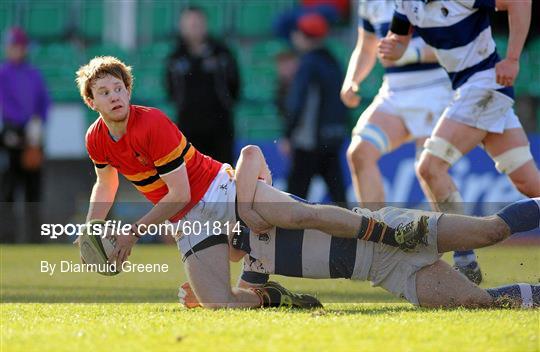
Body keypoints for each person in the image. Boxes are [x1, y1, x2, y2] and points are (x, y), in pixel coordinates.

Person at [75, 56, 427, 309]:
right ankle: (270, 295)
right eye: (104, 92)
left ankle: (385, 230)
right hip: (187, 217)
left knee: (305, 216)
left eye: (119, 88)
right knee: (216, 300)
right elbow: (105, 184)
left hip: (218, 189)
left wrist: (133, 232)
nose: (115, 96)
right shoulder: (96, 138)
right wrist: (92, 227)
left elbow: (180, 192)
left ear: (128, 91)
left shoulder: (151, 124)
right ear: (92, 102)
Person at [179, 147, 540, 310]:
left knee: (491, 231)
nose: (221, 251)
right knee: (476, 302)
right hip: (384, 270)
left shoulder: (257, 204)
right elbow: (239, 300)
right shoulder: (254, 268)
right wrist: (206, 294)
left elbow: (250, 154)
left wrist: (241, 210)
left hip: (390, 229)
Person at [378, 0, 540, 280]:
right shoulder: (406, 4)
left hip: (485, 85)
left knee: (430, 167)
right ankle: (465, 261)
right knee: (530, 184)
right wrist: (394, 49)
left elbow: (520, 1)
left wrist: (512, 59)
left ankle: (465, 264)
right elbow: (398, 42)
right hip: (475, 89)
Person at [341, 1, 482, 283]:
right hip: (394, 93)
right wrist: (352, 80)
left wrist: (408, 52)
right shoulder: (370, 3)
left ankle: (464, 252)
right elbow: (367, 46)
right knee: (360, 153)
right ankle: (379, 242)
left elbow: (456, 44)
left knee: (429, 169)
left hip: (435, 90)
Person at [281, 13, 348, 204]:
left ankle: (288, 233)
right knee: (339, 196)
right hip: (332, 138)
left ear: (302, 36)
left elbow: (298, 102)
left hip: (308, 141)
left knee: (294, 197)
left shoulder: (308, 64)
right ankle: (353, 231)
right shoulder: (333, 62)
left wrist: (288, 133)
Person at [165, 6, 240, 165]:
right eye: (190, 24)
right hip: (188, 126)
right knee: (192, 175)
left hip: (220, 127)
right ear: (182, 27)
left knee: (223, 175)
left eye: (197, 24)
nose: (194, 28)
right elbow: (170, 89)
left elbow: (235, 86)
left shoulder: (222, 53)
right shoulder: (175, 57)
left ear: (205, 25)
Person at [0, 27, 50, 243]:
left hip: (32, 135)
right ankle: (6, 238)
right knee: (8, 190)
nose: (15, 51)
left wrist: (38, 122)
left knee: (33, 190)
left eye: (18, 47)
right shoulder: (2, 73)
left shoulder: (33, 74)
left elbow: (44, 102)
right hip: (9, 135)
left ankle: (35, 239)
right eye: (12, 47)